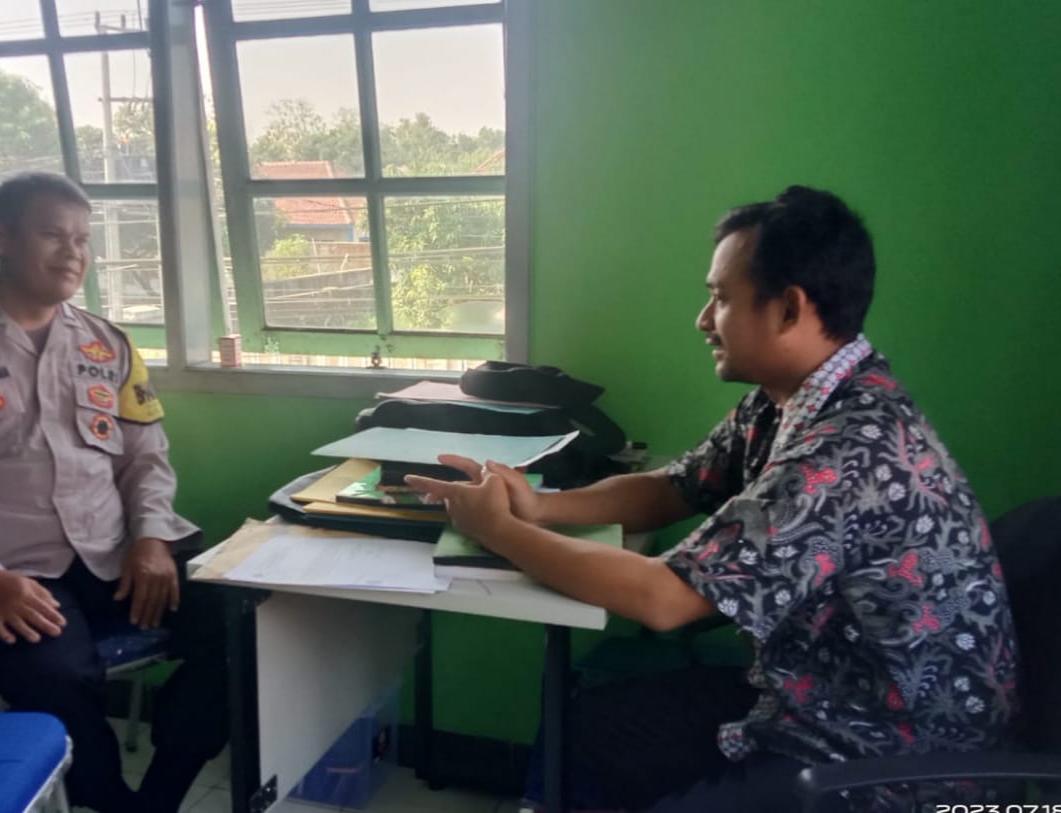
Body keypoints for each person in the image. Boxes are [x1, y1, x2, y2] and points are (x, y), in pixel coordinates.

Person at [406, 186, 1018, 812]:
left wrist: (500, 530)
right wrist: (538, 507)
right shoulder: (788, 400)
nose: (704, 320)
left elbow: (665, 599)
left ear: (789, 309)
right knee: (585, 728)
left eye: (721, 298)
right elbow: (673, 487)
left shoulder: (852, 447)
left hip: (886, 759)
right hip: (805, 698)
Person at [0, 172, 227, 813]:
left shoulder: (107, 343)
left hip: (114, 555)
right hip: (12, 574)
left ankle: (159, 797)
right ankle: (109, 802)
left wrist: (152, 537)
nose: (73, 253)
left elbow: (146, 458)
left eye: (82, 239)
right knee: (57, 677)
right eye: (52, 235)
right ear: (1, 238)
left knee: (243, 626)